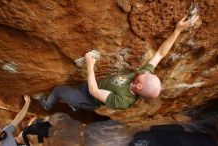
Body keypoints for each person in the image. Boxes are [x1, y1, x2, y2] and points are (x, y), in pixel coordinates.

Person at [33, 15, 199, 111]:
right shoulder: (142, 76)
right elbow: (160, 53)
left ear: (139, 87)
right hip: (89, 86)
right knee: (79, 88)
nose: (146, 72)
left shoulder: (123, 101)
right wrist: (177, 30)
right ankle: (73, 103)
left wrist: (90, 65)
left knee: (59, 90)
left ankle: (49, 105)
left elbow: (94, 91)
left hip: (88, 98)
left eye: (145, 76)